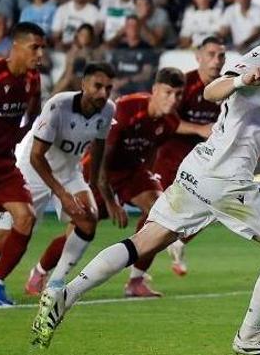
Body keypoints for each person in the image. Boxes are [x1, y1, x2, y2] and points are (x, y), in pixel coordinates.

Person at [32, 0, 260, 355]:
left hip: (200, 170)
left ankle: (65, 294)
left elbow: (254, 137)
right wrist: (241, 78)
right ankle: (250, 336)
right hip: (227, 182)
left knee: (144, 241)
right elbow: (213, 90)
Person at [78, 67, 210, 297]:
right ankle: (44, 272)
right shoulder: (126, 108)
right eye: (168, 92)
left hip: (132, 170)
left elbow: (151, 149)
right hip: (98, 171)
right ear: (155, 90)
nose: (173, 99)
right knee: (82, 227)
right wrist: (111, 202)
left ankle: (136, 281)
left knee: (163, 215)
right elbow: (101, 162)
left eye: (178, 95)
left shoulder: (170, 121)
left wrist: (147, 178)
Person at [0, 63, 122, 297]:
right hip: (33, 170)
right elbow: (36, 156)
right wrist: (63, 195)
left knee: (87, 219)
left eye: (108, 88)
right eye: (97, 86)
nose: (103, 93)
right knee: (1, 242)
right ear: (83, 84)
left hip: (69, 172)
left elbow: (99, 145)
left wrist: (94, 185)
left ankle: (54, 281)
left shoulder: (108, 110)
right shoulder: (58, 105)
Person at [153, 38, 225, 276]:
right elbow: (167, 119)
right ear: (199, 56)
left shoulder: (227, 89)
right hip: (170, 156)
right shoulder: (184, 85)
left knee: (211, 207)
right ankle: (138, 272)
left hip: (202, 161)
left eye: (221, 56)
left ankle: (178, 243)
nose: (217, 61)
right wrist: (198, 129)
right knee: (158, 211)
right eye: (211, 54)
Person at [0, 22, 43, 306]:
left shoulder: (33, 79)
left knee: (26, 216)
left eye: (42, 47)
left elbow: (33, 109)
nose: (40, 53)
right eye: (35, 47)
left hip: (5, 165)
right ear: (16, 46)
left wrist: (20, 134)